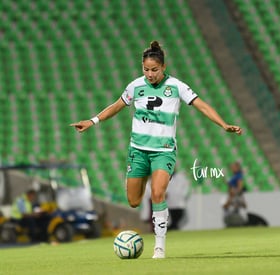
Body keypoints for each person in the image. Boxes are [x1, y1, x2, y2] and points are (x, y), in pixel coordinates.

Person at [70, 41, 242, 258]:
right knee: (134, 201)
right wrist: (93, 121)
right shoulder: (135, 87)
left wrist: (223, 124)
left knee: (157, 193)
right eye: (146, 69)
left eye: (154, 70)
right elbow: (116, 106)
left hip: (164, 150)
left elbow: (202, 105)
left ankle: (159, 246)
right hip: (138, 150)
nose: (149, 74)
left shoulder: (177, 87)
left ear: (163, 67)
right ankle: (143, 183)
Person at [223, 162, 247, 227]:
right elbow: (229, 184)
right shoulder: (234, 176)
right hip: (232, 194)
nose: (232, 168)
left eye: (233, 167)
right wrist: (223, 176)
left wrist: (234, 192)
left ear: (237, 168)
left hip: (235, 195)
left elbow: (240, 186)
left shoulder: (239, 175)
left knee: (234, 208)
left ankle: (237, 223)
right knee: (227, 207)